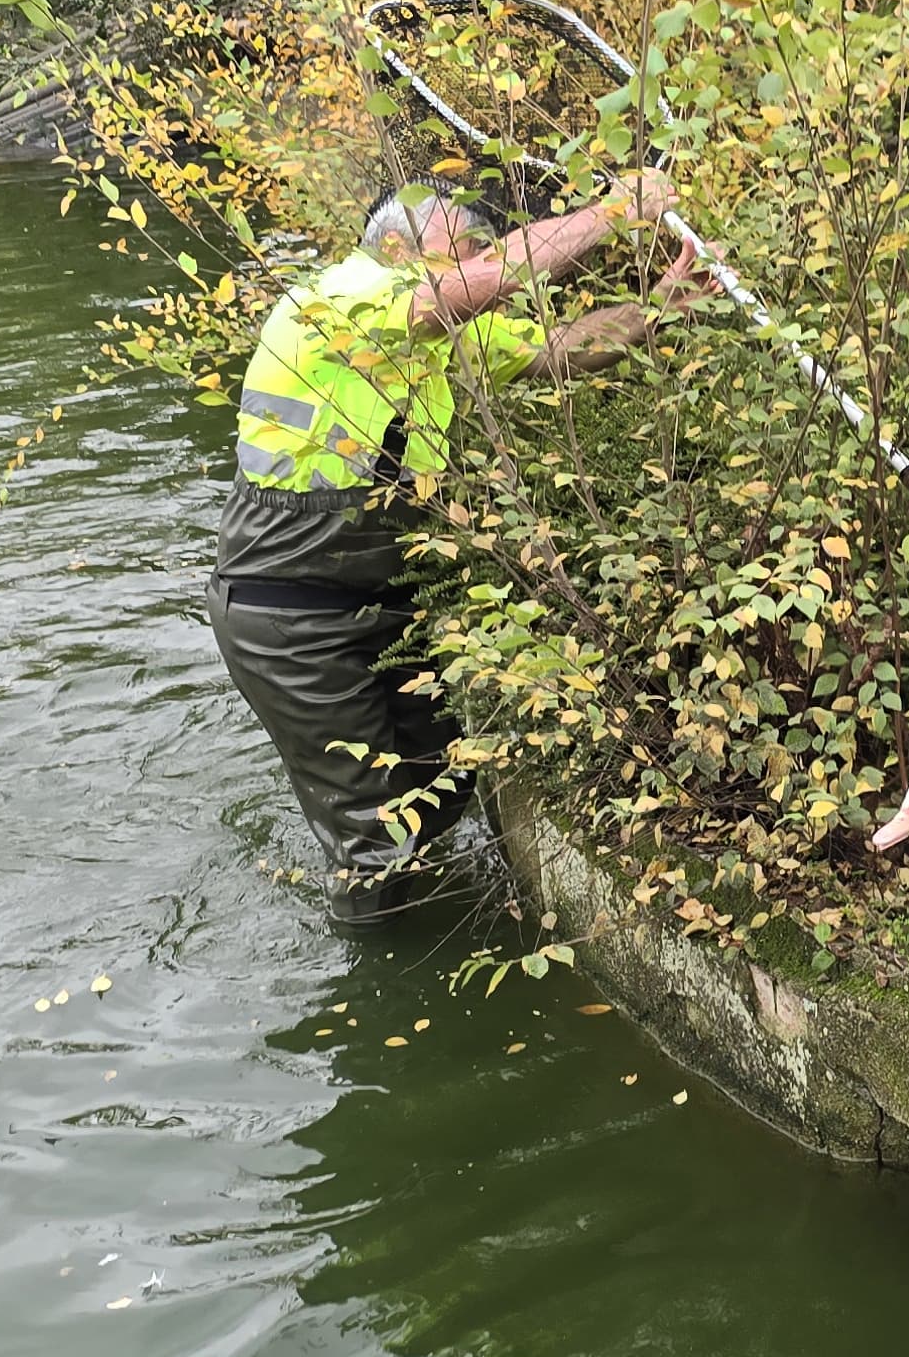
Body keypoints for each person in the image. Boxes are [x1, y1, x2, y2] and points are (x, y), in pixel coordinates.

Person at [211, 171, 692, 922]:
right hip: (290, 619)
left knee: (444, 775)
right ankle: (381, 998)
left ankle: (423, 909)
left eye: (481, 246)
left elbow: (562, 348)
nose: (481, 260)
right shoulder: (335, 301)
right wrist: (612, 214)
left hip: (387, 599)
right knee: (375, 841)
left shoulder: (441, 334)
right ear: (396, 246)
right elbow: (471, 288)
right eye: (465, 247)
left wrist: (657, 308)